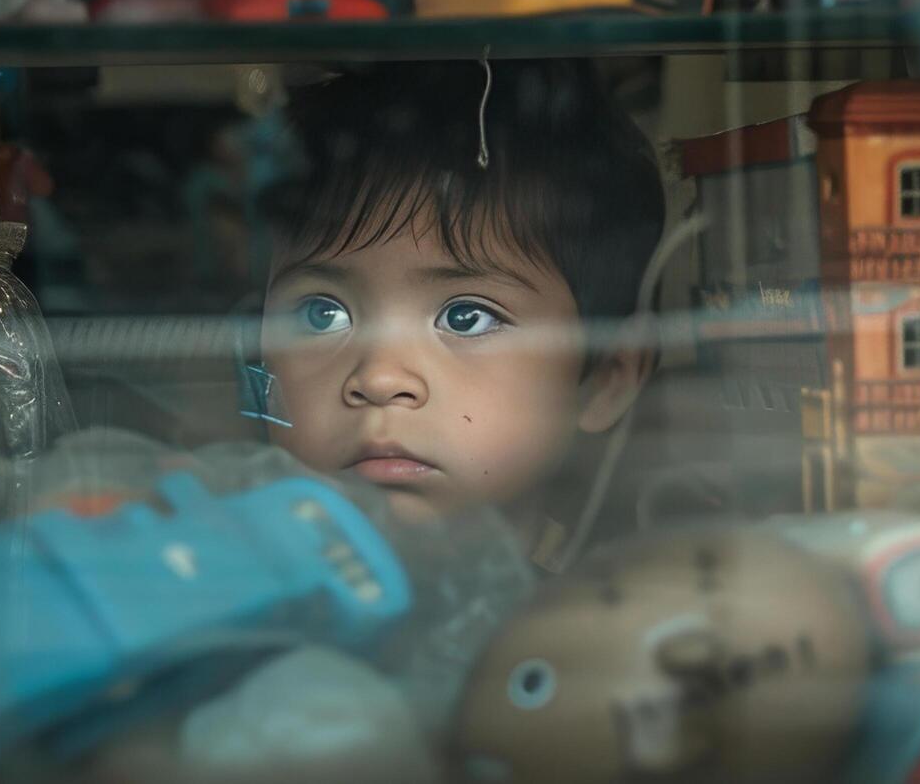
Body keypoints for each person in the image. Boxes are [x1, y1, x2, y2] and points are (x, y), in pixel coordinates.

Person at [254, 61, 666, 525]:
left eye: (466, 317)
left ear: (607, 378)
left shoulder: (631, 595)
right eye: (321, 314)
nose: (380, 379)